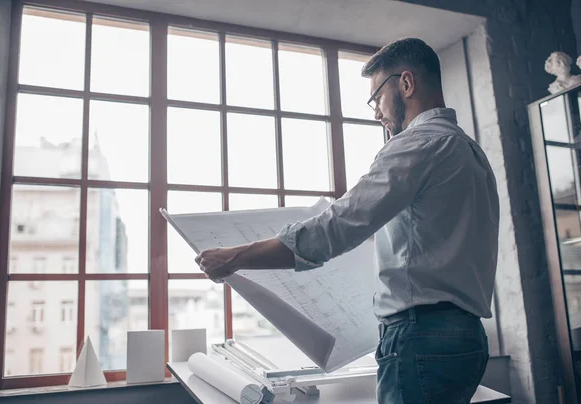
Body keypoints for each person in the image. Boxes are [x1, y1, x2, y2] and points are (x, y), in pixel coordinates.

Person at [195, 38, 500, 404]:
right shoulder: (470, 152)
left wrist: (236, 257)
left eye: (376, 98)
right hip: (467, 337)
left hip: (420, 338)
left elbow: (333, 228)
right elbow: (437, 239)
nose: (375, 112)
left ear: (406, 84)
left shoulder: (416, 145)